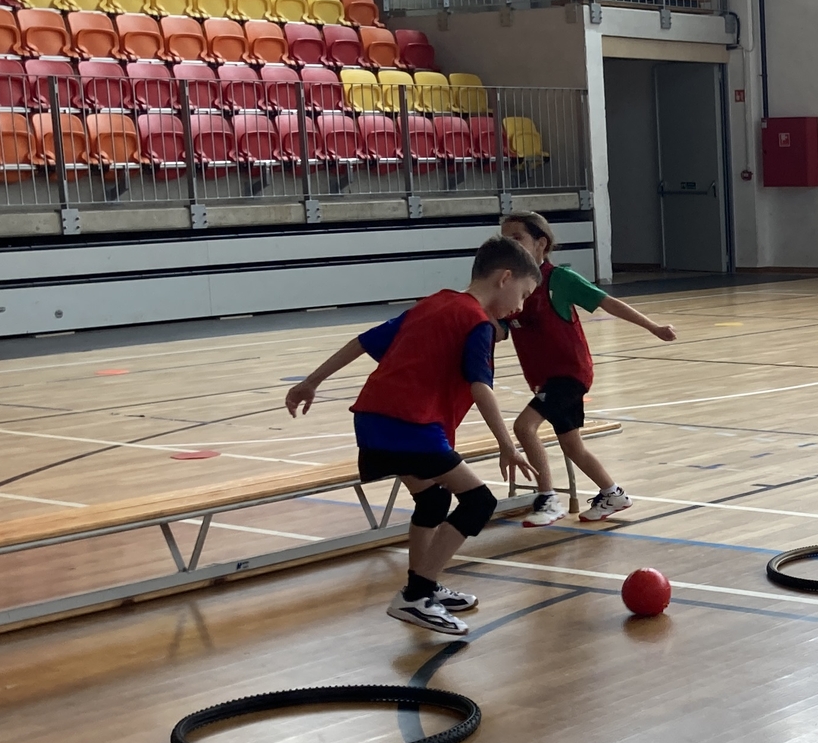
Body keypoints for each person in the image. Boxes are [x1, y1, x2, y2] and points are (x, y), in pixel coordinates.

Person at [284, 236, 535, 635]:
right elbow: (480, 387)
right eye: (523, 294)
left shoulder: (432, 303)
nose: (519, 307)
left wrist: (311, 381)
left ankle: (424, 586)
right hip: (408, 426)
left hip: (373, 420)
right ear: (505, 278)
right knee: (479, 502)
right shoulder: (476, 323)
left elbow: (363, 341)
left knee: (434, 499)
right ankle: (415, 596)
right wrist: (508, 445)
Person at [497, 211, 677, 526]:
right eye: (504, 239)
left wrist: (653, 327)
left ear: (541, 243)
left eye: (516, 238)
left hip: (569, 374)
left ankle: (547, 499)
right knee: (572, 445)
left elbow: (608, 302)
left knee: (524, 427)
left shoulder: (560, 279)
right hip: (542, 379)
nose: (508, 245)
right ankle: (613, 493)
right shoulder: (509, 285)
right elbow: (499, 331)